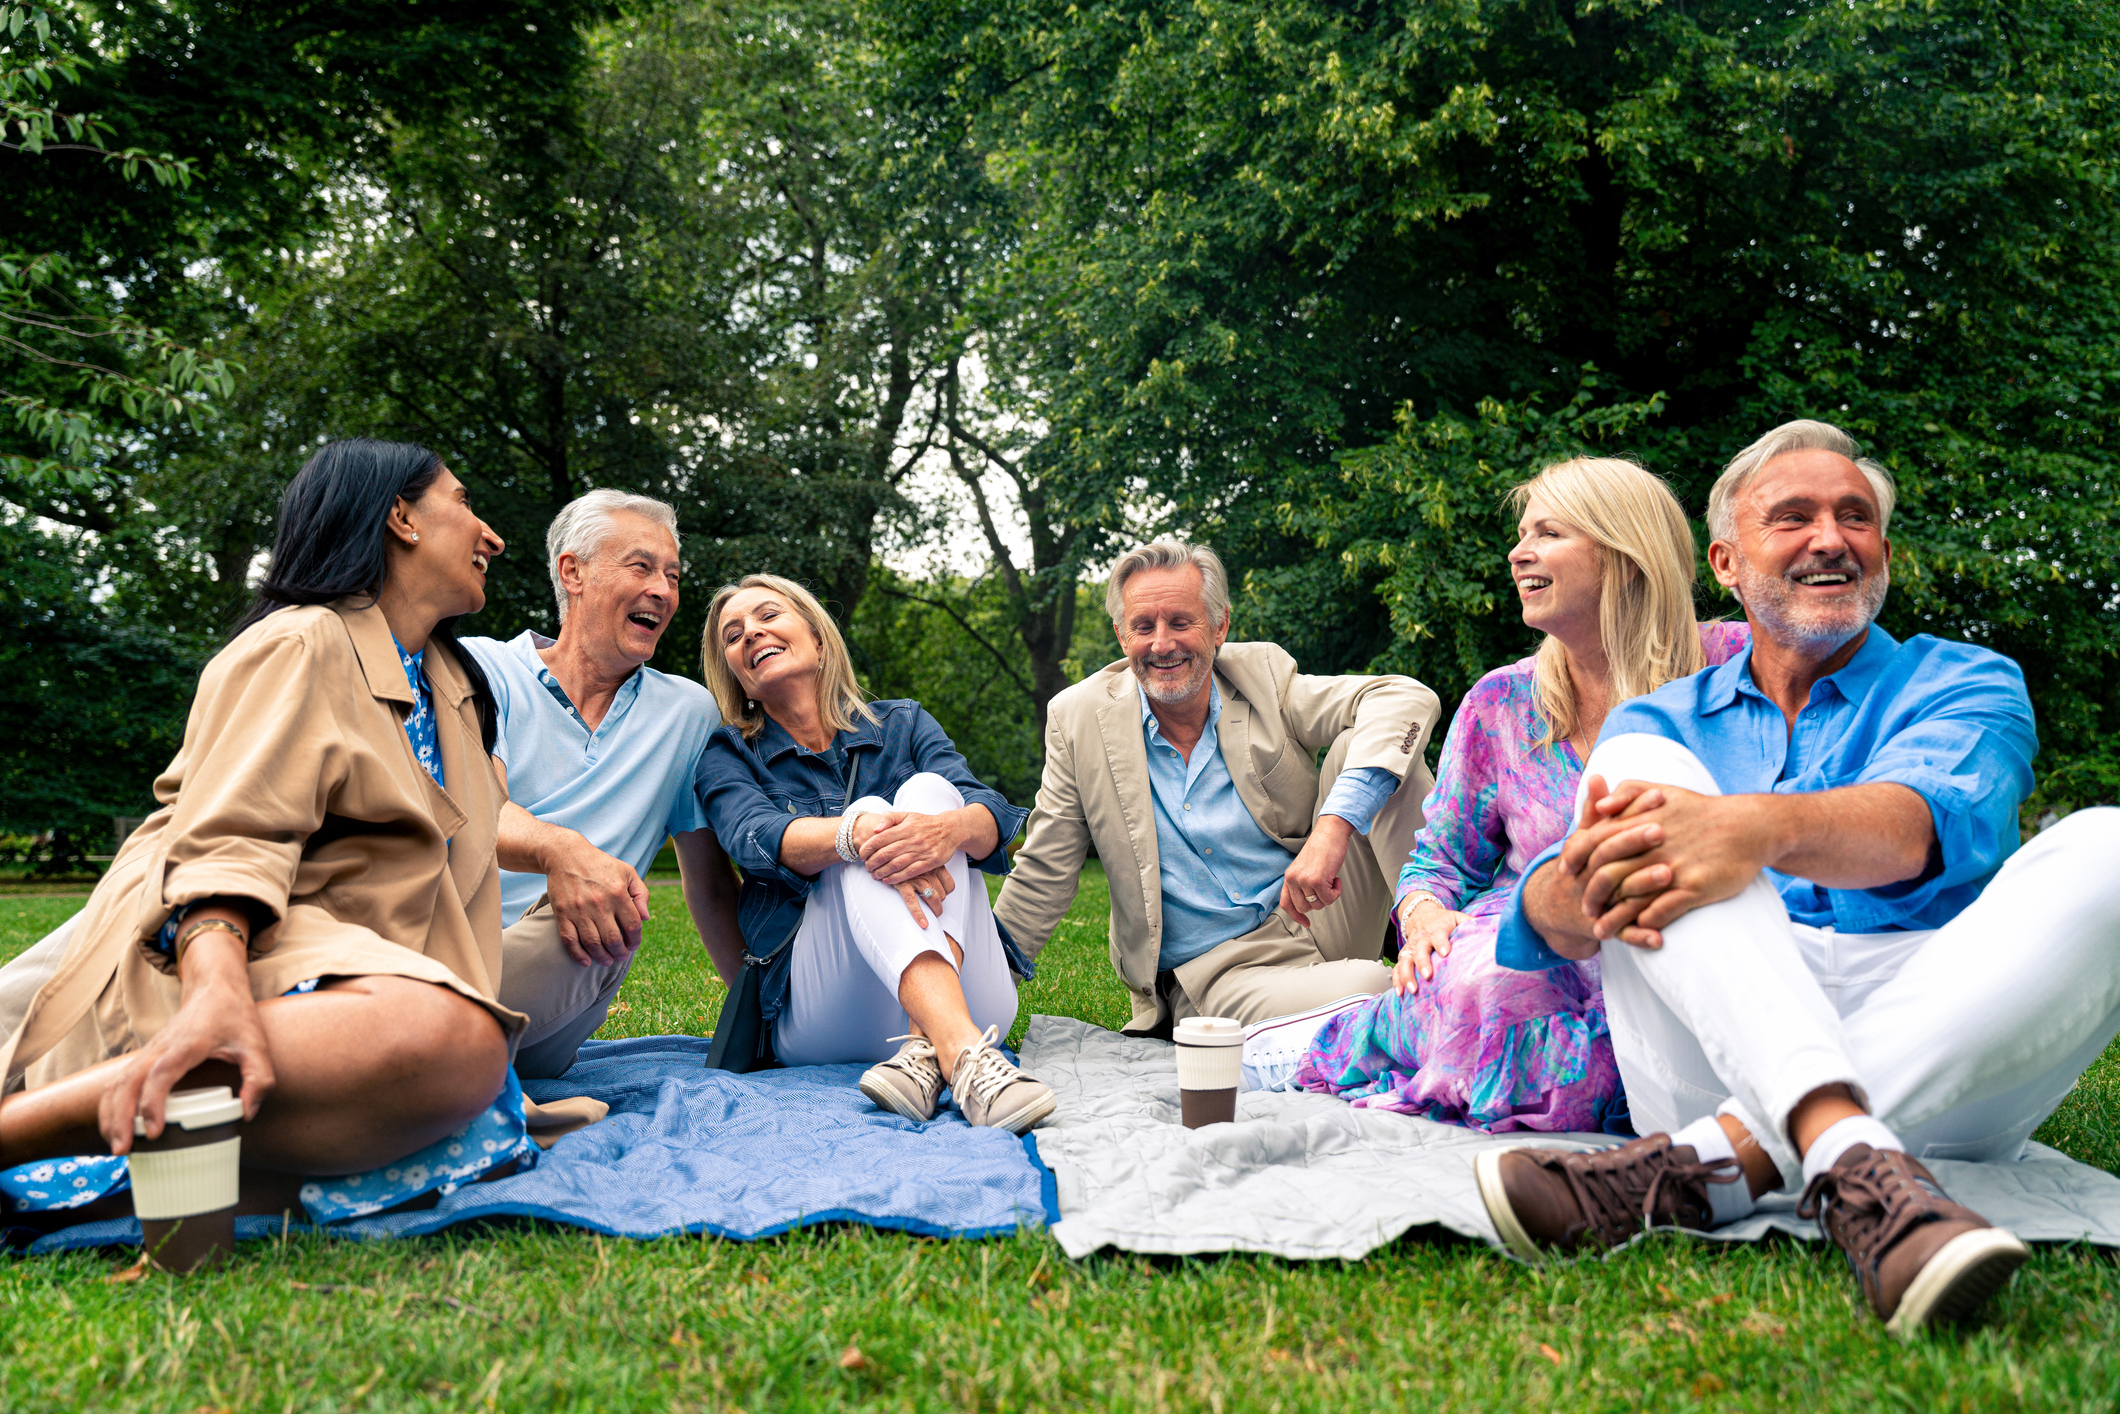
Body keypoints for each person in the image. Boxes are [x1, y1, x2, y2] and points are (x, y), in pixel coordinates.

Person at [1475, 419, 2120, 1335]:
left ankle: (1709, 1170)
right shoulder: (1658, 721)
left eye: (1854, 517)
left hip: (1947, 1055)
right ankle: (1855, 1158)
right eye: (1794, 516)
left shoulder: (1966, 681)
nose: (1830, 538)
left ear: (1883, 553)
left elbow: (1916, 826)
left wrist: (1747, 832)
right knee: (1654, 787)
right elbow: (1565, 911)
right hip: (1711, 1046)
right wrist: (1563, 888)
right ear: (1728, 563)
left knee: (2110, 844)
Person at [0, 439, 534, 1222]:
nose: (491, 534)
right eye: (462, 502)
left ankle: (164, 1169)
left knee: (475, 1088)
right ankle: (32, 1133)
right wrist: (214, 995)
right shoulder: (302, 641)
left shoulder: (453, 685)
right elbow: (228, 839)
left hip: (348, 975)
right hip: (227, 944)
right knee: (456, 1042)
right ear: (400, 519)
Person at [1287, 458, 1749, 1130]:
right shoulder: (1501, 701)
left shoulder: (1737, 667)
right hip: (1531, 944)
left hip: (1681, 932)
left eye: (1548, 533)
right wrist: (1422, 919)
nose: (1517, 552)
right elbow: (1439, 862)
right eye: (1521, 534)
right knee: (1491, 984)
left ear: (1626, 555)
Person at [995, 540, 1440, 1035]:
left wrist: (1332, 830)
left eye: (1181, 622)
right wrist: (971, 995)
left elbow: (1403, 697)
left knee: (1375, 752)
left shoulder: (1263, 676)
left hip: (1318, 911)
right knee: (1386, 989)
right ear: (1122, 636)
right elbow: (1044, 872)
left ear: (1220, 625)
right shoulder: (1077, 719)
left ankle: (1443, 929)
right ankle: (1444, 978)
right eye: (1144, 627)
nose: (1162, 644)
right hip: (1221, 974)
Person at [693, 575, 1054, 1133]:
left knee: (935, 798)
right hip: (824, 1014)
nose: (750, 634)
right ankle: (961, 1053)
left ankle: (924, 1051)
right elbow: (754, 834)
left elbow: (995, 822)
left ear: (816, 638)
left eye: (768, 616)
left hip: (976, 994)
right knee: (865, 817)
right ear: (736, 675)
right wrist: (853, 834)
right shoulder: (728, 752)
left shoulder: (903, 722)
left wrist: (947, 829)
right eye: (733, 635)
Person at [461, 490, 743, 1080]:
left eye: (672, 575)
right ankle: (449, 1077)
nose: (663, 591)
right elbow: (476, 810)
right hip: (450, 952)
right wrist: (564, 850)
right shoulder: (480, 667)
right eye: (640, 567)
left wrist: (757, 1019)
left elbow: (711, 887)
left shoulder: (688, 713)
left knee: (605, 912)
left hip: (563, 972)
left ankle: (431, 1071)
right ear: (573, 571)